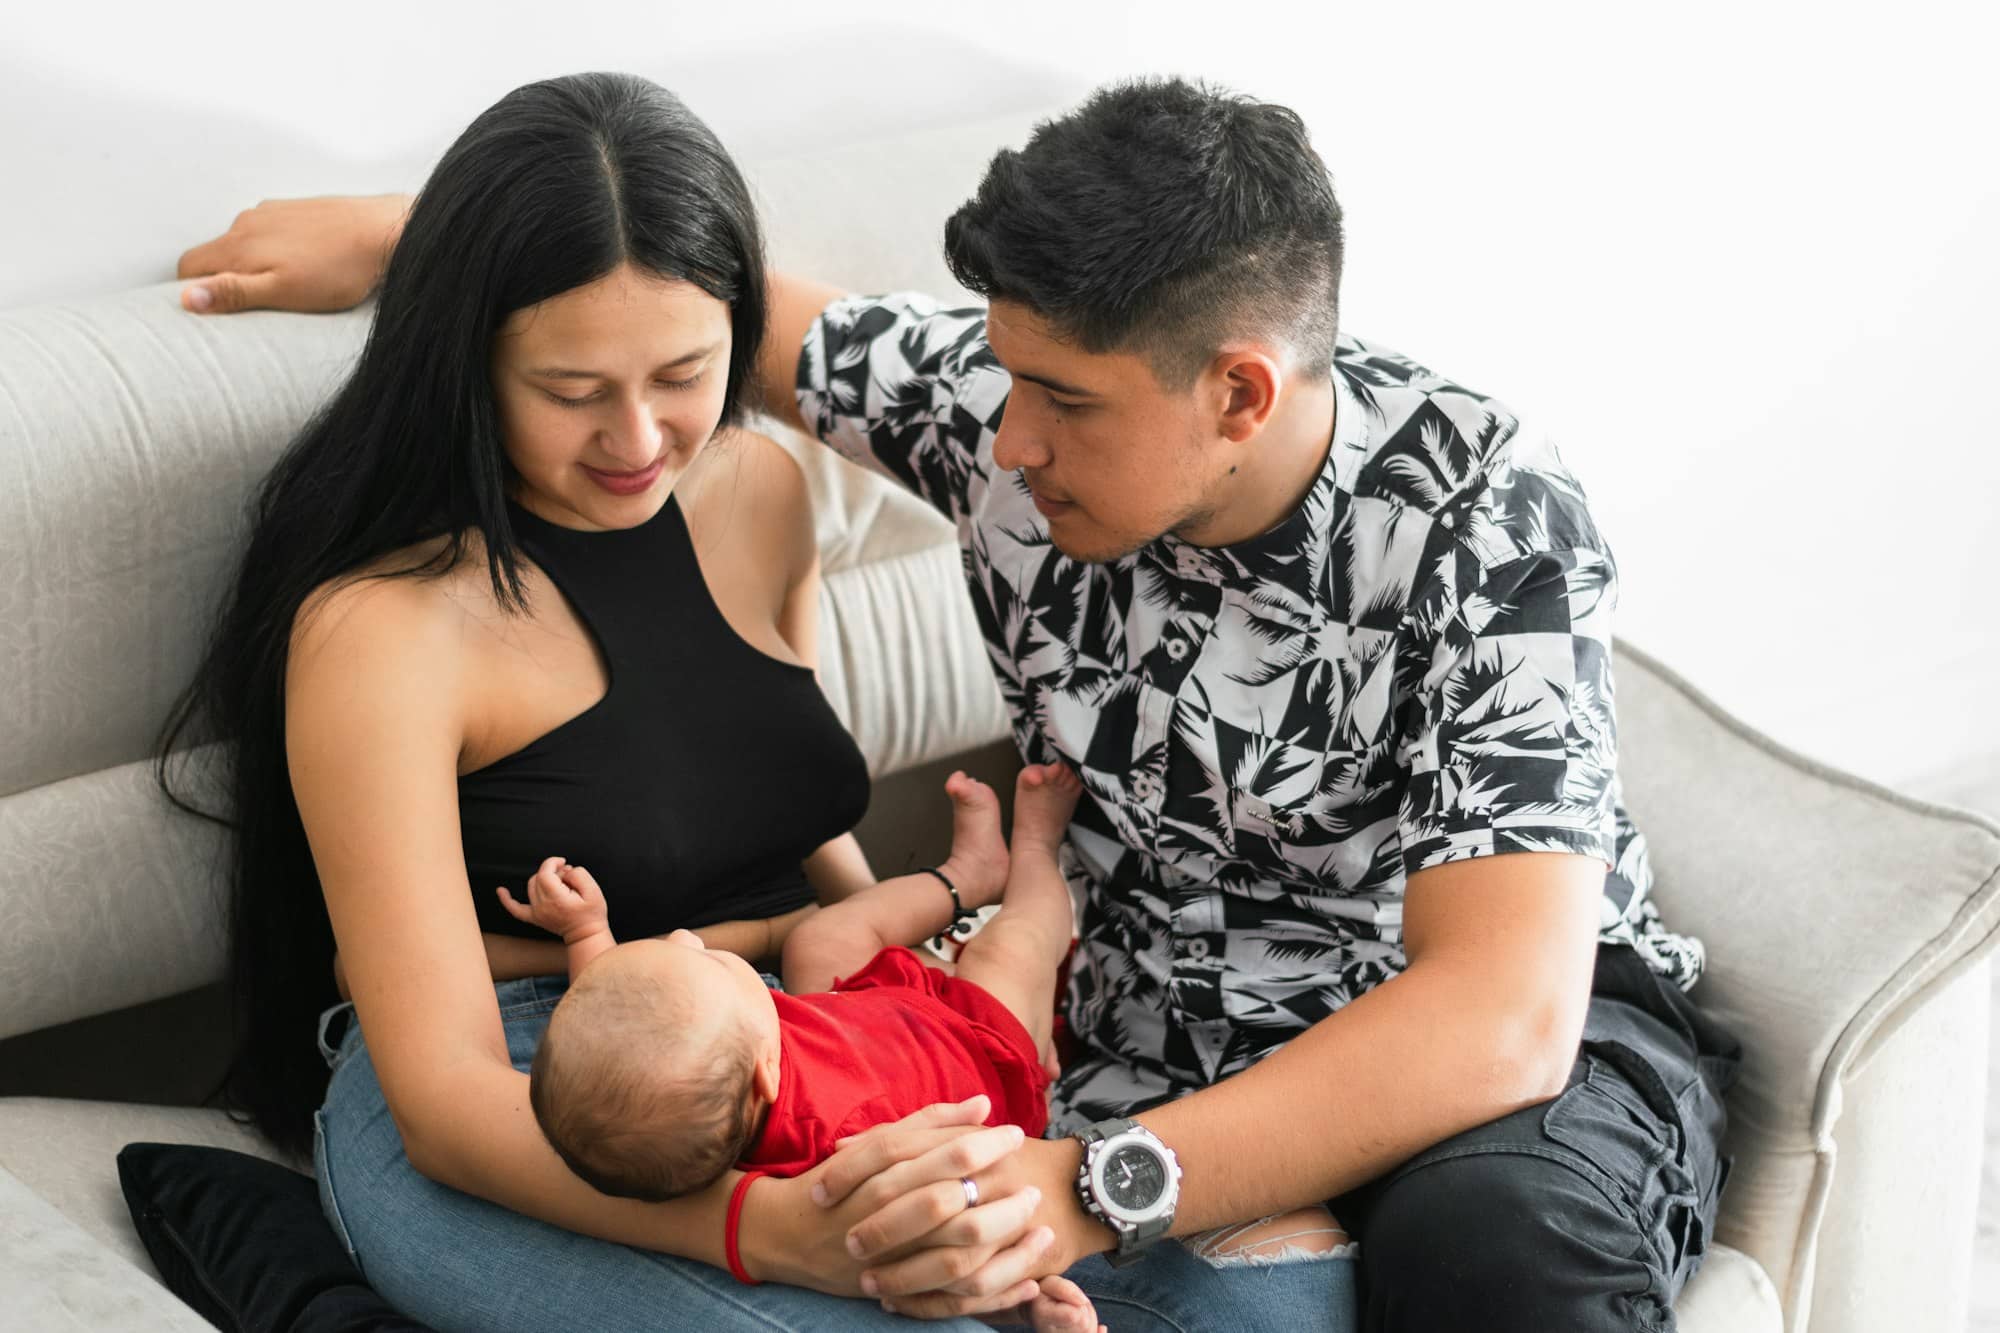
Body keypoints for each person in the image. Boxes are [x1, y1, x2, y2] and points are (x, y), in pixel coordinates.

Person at [178, 74, 1740, 1331]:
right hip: (1104, 1038)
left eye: (1060, 405)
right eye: (1004, 381)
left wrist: (1095, 1183)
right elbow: (697, 305)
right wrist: (424, 239)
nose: (1004, 446)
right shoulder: (1016, 402)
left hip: (1449, 1053)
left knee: (1493, 1262)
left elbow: (1502, 1017)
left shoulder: (1481, 516)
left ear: (1238, 395)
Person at [503, 764, 1108, 1333]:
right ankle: (1035, 851)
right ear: (767, 1073)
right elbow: (949, 1228)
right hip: (972, 1053)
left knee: (820, 937)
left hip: (859, 1013)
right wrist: (1034, 1298)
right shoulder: (846, 1156)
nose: (688, 937)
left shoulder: (698, 1086)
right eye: (707, 962)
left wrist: (586, 932)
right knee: (1015, 945)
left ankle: (967, 873)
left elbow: (623, 1019)